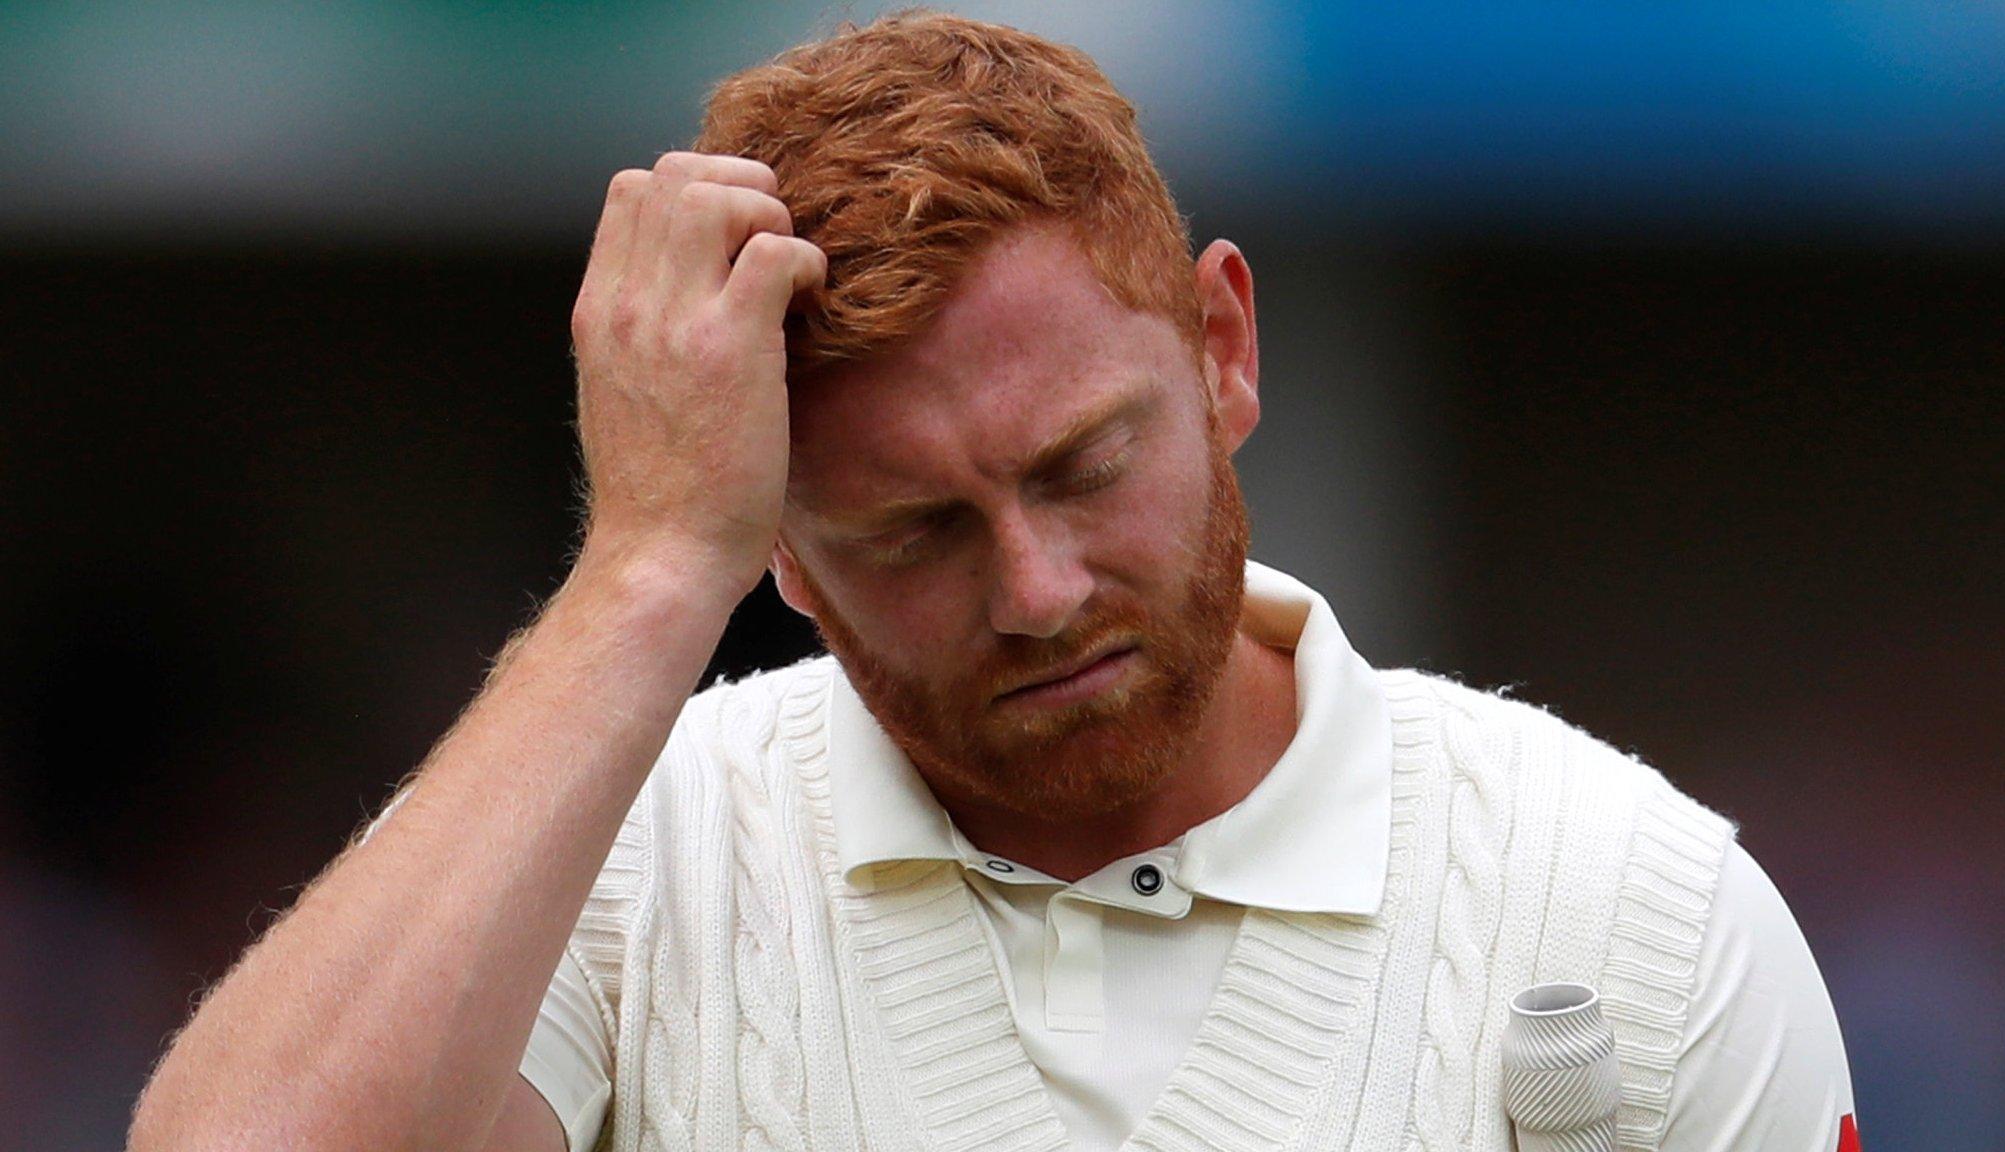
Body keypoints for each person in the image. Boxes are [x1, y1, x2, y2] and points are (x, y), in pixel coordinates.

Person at [130, 12, 1856, 1152]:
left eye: (1086, 467)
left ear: (1225, 350)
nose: (1035, 589)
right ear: (782, 554)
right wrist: (647, 570)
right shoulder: (633, 873)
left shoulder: (1634, 910)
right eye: (913, 533)